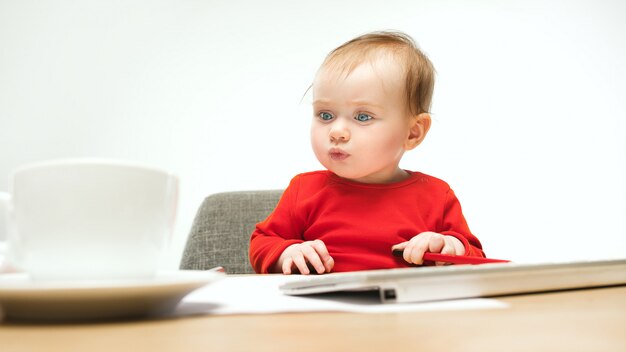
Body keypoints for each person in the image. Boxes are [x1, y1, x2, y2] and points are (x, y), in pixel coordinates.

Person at [249, 31, 484, 275]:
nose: (337, 131)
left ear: (412, 133)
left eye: (363, 117)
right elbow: (263, 243)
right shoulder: (303, 190)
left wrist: (450, 247)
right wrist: (287, 252)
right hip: (325, 308)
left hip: (405, 310)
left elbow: (475, 257)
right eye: (325, 115)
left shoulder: (437, 196)